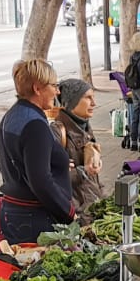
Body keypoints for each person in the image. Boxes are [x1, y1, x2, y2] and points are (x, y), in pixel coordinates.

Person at [0, 59, 76, 244]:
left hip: (14, 213)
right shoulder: (35, 124)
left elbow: (8, 162)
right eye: (54, 86)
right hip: (35, 219)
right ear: (37, 88)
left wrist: (58, 166)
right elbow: (41, 181)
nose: (57, 91)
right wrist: (68, 212)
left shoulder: (12, 115)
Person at [50, 79, 104, 214]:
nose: (94, 103)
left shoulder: (85, 126)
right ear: (71, 102)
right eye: (87, 98)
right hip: (77, 211)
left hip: (93, 206)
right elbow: (50, 177)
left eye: (94, 97)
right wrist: (84, 171)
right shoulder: (57, 131)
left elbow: (94, 179)